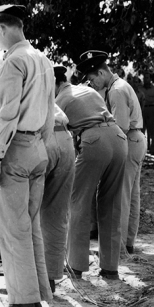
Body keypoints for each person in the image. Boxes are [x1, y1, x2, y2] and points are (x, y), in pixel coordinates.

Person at [0, 61, 75, 293]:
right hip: (63, 141)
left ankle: (24, 292)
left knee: (19, 222)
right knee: (55, 213)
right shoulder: (27, 84)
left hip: (28, 149)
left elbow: (1, 140)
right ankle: (49, 281)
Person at [0, 4, 55, 307]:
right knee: (30, 227)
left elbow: (7, 116)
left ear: (2, 28)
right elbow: (51, 113)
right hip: (39, 147)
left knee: (14, 231)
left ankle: (24, 303)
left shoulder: (13, 62)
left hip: (15, 150)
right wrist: (41, 146)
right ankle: (38, 296)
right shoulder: (43, 59)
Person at [56, 66, 127, 280]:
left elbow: (57, 138)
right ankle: (110, 268)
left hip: (94, 141)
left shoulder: (59, 101)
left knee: (78, 201)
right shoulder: (88, 91)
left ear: (54, 83)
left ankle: (75, 266)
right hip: (119, 138)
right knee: (111, 204)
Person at [79, 50, 145, 256]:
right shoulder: (118, 86)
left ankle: (118, 248)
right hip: (136, 140)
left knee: (120, 196)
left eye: (92, 79)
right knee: (131, 195)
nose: (92, 84)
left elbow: (121, 126)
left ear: (100, 73)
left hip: (128, 140)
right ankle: (127, 243)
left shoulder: (116, 90)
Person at [140, 71, 154, 155]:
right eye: (144, 78)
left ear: (150, 79)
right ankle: (142, 149)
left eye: (147, 78)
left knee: (152, 130)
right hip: (142, 110)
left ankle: (153, 149)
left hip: (152, 110)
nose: (146, 79)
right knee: (141, 130)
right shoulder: (140, 89)